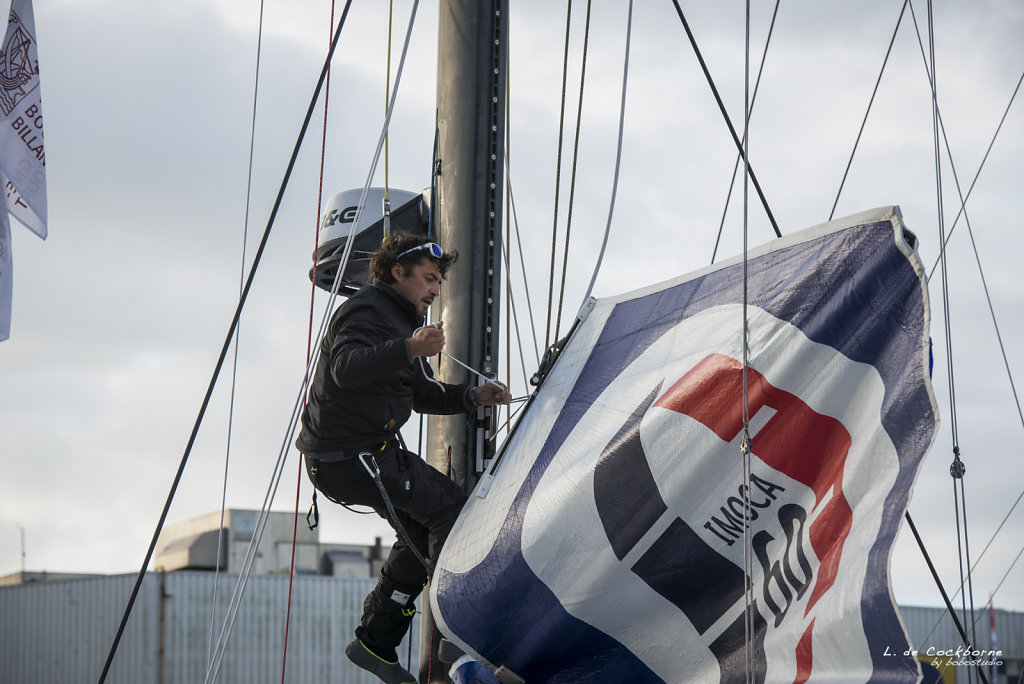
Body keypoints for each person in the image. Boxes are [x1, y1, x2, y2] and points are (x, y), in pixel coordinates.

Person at [296, 232, 511, 684]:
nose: (435, 290)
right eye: (429, 279)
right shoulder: (368, 311)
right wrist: (411, 348)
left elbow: (421, 394)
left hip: (357, 456)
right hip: (351, 455)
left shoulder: (399, 321)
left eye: (438, 283)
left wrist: (475, 395)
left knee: (418, 532)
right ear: (398, 273)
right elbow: (345, 368)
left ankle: (375, 643)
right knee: (452, 509)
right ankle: (459, 627)